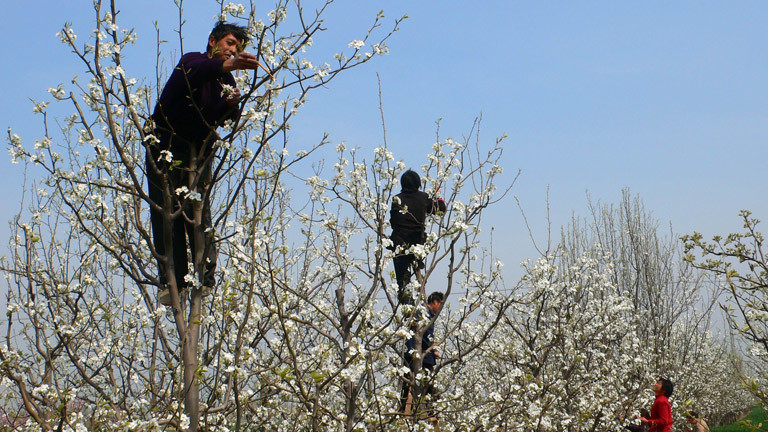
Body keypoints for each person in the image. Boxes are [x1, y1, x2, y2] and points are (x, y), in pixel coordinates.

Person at [146, 21, 262, 305]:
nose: (233, 50)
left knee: (199, 214)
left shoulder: (227, 82)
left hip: (198, 151)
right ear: (213, 41)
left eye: (238, 47)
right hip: (166, 147)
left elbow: (218, 118)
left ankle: (205, 275)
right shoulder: (193, 61)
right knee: (166, 214)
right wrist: (230, 66)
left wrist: (233, 104)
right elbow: (194, 74)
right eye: (230, 44)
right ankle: (172, 281)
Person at [389, 170, 446, 304]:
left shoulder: (396, 199)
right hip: (418, 244)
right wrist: (438, 197)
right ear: (418, 184)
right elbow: (441, 209)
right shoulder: (423, 198)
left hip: (400, 245)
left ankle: (408, 310)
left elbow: (393, 222)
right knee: (415, 281)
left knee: (403, 283)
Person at [400, 291, 444, 415]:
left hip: (416, 353)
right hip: (418, 355)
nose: (440, 309)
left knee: (411, 383)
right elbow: (424, 335)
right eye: (440, 305)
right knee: (426, 384)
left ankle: (408, 409)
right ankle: (429, 410)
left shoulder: (424, 312)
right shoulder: (425, 313)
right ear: (435, 302)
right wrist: (432, 347)